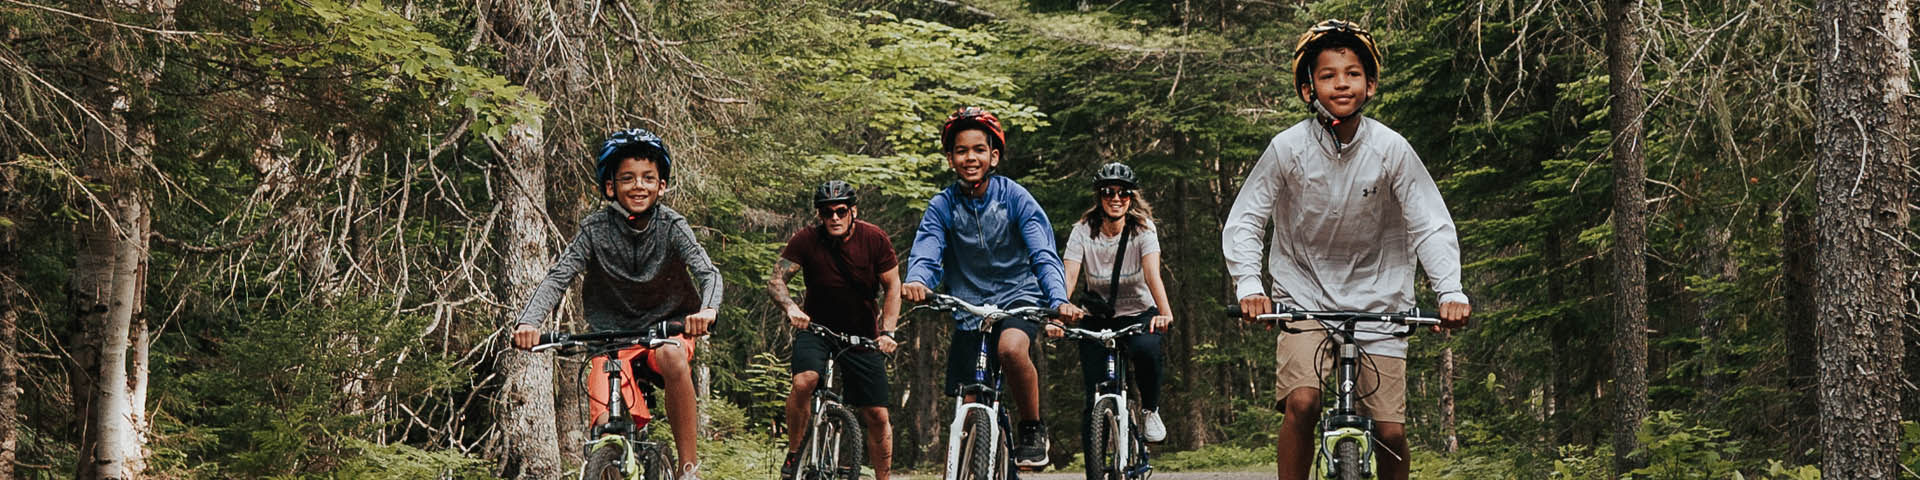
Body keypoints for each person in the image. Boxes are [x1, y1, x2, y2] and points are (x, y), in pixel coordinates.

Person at [1219, 20, 1472, 480]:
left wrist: (1450, 292)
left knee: (1391, 433)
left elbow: (1429, 223)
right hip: (1304, 298)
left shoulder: (1391, 149)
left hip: (1381, 301)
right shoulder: (1287, 149)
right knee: (1302, 403)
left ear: (1370, 84)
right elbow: (1247, 220)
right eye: (1328, 74)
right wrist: (1251, 286)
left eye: (1353, 73)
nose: (1341, 83)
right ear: (1307, 87)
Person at [511, 128, 721, 480]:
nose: (638, 186)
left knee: (671, 355)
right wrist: (528, 322)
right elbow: (557, 277)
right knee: (606, 427)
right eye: (627, 179)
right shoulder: (594, 229)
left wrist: (707, 310)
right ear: (611, 187)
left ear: (662, 186)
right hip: (613, 340)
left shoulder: (672, 226)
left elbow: (708, 273)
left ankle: (688, 467)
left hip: (666, 330)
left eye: (648, 179)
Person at [901, 106, 1086, 470]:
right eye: (961, 150)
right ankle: (970, 463)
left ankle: (1032, 428)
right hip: (969, 304)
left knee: (1012, 349)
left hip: (1019, 295)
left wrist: (1058, 299)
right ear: (951, 158)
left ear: (994, 155)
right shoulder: (942, 205)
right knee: (969, 401)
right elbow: (927, 247)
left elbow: (1044, 254)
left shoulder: (1016, 198)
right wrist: (918, 279)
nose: (970, 157)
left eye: (979, 149)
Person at [1048, 162, 1175, 480]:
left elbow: (1152, 274)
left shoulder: (1143, 228)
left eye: (1122, 192)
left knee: (1147, 351)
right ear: (1099, 197)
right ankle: (1095, 464)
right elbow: (1069, 276)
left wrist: (1164, 312)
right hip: (1097, 316)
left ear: (1131, 197)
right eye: (1108, 192)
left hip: (1138, 313)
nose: (1115, 198)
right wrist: (1058, 314)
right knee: (1093, 394)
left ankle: (1149, 410)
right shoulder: (1083, 230)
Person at [771, 180, 903, 480]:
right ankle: (795, 454)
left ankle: (884, 477)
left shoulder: (874, 239)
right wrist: (792, 308)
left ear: (853, 211)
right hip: (816, 329)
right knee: (805, 381)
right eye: (826, 212)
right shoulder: (806, 240)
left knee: (877, 415)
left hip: (862, 336)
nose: (834, 217)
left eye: (841, 211)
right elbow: (777, 280)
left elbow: (893, 285)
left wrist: (888, 332)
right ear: (819, 215)